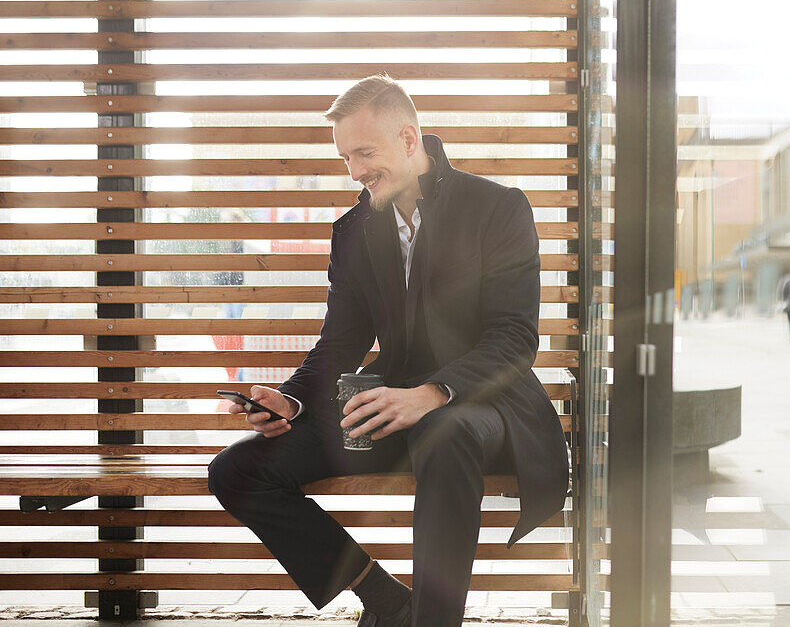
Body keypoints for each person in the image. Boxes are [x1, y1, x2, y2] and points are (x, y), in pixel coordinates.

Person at [207, 75, 570, 627]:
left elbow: (514, 336)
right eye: (346, 157)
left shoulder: (498, 208)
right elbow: (341, 342)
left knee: (445, 431)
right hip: (391, 410)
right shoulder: (354, 231)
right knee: (236, 470)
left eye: (365, 153)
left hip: (486, 408)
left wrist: (432, 393)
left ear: (408, 138)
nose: (354, 171)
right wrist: (290, 400)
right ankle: (384, 598)